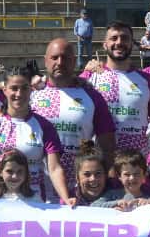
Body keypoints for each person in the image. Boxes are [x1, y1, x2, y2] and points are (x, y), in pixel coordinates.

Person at [0, 65, 70, 203]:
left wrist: (66, 198)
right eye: (14, 88)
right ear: (5, 90)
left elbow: (54, 169)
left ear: (31, 89)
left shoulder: (45, 126)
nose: (19, 94)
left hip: (34, 204)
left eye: (24, 88)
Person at [30, 38, 116, 184]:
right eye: (54, 57)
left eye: (65, 58)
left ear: (74, 61)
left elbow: (107, 147)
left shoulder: (92, 96)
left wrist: (110, 182)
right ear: (45, 60)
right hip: (38, 188)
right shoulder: (30, 94)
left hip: (80, 188)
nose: (60, 62)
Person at [83, 22, 150, 156]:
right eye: (114, 38)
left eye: (125, 38)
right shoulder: (89, 77)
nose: (119, 42)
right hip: (101, 166)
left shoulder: (147, 81)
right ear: (104, 44)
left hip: (137, 167)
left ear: (132, 44)